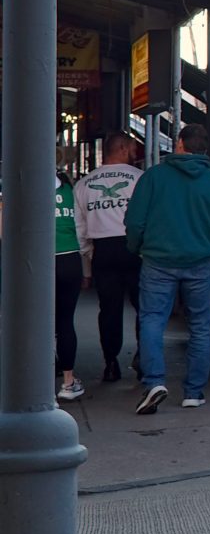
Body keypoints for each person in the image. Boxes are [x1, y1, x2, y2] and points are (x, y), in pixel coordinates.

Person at [126, 123, 210, 415]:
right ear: (203, 148)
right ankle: (193, 392)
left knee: (152, 320)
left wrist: (137, 247)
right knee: (200, 327)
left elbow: (134, 221)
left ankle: (153, 382)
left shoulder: (153, 178)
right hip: (199, 264)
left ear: (179, 144)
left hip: (157, 262)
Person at [80, 133, 145, 383]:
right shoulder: (139, 179)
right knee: (145, 307)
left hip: (102, 250)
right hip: (135, 249)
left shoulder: (84, 184)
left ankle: (110, 363)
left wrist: (87, 265)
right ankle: (143, 356)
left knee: (108, 310)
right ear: (121, 148)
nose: (135, 155)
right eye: (132, 149)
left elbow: (80, 231)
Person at [54, 172, 85, 402]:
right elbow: (80, 228)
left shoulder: (24, 190)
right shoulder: (69, 191)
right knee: (65, 322)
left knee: (37, 324)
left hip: (37, 262)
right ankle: (67, 381)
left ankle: (36, 384)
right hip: (70, 258)